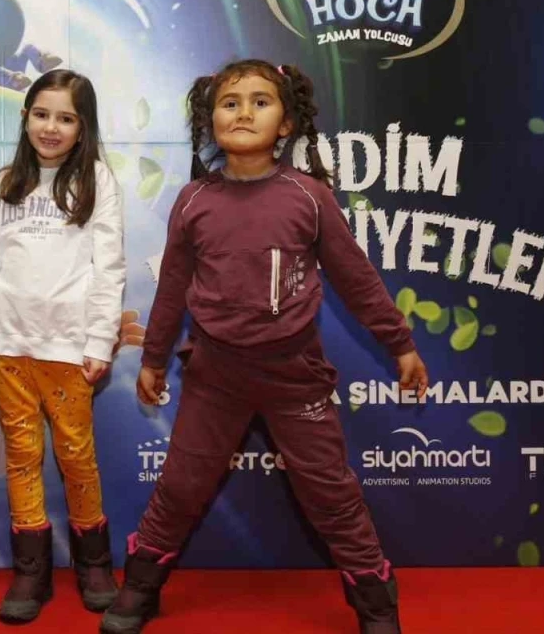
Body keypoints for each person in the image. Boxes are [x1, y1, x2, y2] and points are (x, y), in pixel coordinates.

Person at [100, 59, 429, 634]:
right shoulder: (193, 200)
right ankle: (141, 587)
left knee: (331, 494)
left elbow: (356, 278)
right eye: (230, 103)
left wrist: (399, 344)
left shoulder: (309, 196)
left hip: (294, 376)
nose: (244, 112)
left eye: (260, 101)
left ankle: (377, 605)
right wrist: (153, 358)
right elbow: (172, 287)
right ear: (210, 120)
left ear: (286, 123)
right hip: (214, 377)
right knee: (180, 486)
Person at [0, 69, 127, 623]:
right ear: (25, 117)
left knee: (77, 456)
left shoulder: (97, 182)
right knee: (22, 457)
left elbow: (109, 266)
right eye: (41, 114)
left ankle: (94, 563)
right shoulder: (4, 184)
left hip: (69, 349)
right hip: (11, 346)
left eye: (65, 118)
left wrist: (99, 338)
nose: (51, 127)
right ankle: (31, 570)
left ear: (83, 127)